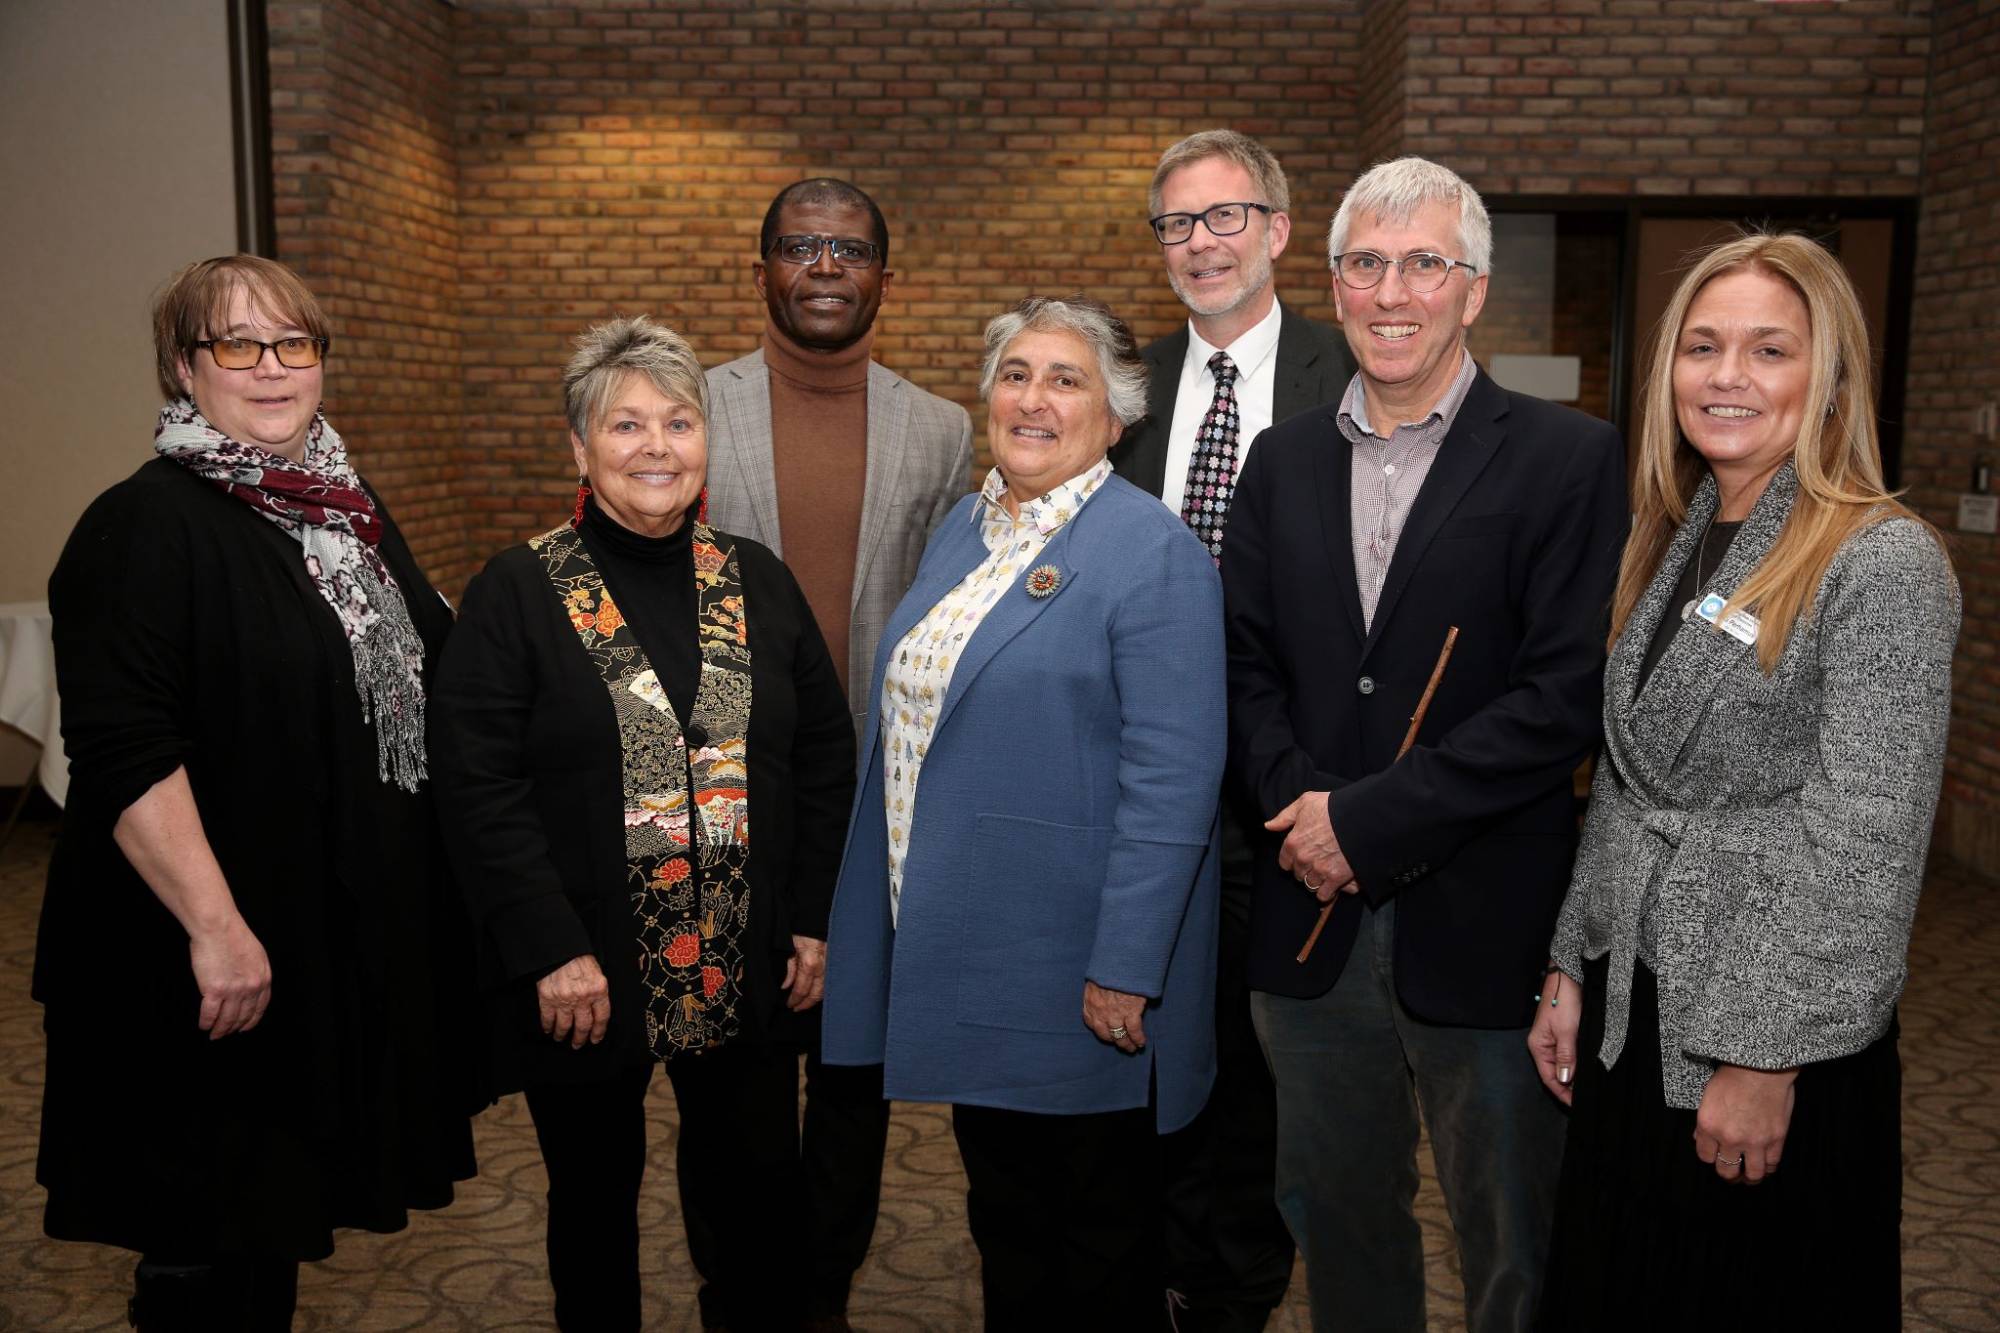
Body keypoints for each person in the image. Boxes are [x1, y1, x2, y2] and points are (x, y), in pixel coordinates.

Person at [1222, 157, 1628, 1332]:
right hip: (1310, 917)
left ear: (1472, 289)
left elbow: (1562, 697)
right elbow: (1245, 667)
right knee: (1334, 1210)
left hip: (1485, 919)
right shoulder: (1281, 460)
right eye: (1364, 264)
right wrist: (1308, 816)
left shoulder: (1564, 458)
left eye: (1421, 263)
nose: (1389, 291)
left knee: (1511, 1228)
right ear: (1333, 284)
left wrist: (1365, 822)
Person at [34, 255, 478, 1330]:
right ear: (186, 368)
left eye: (294, 343)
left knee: (265, 1219)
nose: (271, 369)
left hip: (309, 936)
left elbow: (440, 658)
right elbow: (123, 750)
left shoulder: (342, 507)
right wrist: (216, 927)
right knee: (201, 1231)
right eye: (237, 345)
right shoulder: (141, 525)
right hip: (195, 951)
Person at [1530, 232, 1958, 1330]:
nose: (1724, 377)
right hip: (1637, 997)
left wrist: (1765, 1056)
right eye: (1701, 346)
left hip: (1766, 1028)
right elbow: (1626, 781)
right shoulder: (1672, 534)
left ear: (1827, 380)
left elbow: (1864, 839)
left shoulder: (1880, 559)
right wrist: (1569, 965)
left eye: (1767, 350)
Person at [428, 316, 855, 1331]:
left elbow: (825, 755)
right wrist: (547, 948)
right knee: (591, 1208)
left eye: (677, 420)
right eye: (624, 425)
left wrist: (808, 918)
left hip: (745, 956)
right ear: (578, 447)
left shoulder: (755, 578)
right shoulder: (517, 589)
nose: (655, 446)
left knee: (756, 1202)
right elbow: (476, 783)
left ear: (705, 441)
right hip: (586, 968)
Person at [821, 296, 1225, 1329]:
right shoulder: (965, 525)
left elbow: (1173, 777)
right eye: (1014, 374)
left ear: (1113, 415)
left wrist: (1127, 963)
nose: (1031, 399)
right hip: (966, 946)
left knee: (1093, 1247)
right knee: (1007, 1222)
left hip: (1074, 966)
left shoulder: (1150, 551)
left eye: (1064, 379)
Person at [698, 177, 972, 1330]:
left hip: (873, 806)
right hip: (719, 802)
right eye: (799, 247)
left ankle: (819, 1294)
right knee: (731, 1075)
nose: (823, 266)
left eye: (848, 249)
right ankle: (737, 1292)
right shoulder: (686, 406)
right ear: (758, 269)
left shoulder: (945, 428)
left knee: (853, 1073)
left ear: (881, 278)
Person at [1110, 127, 1354, 1332]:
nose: (1198, 243)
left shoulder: (1349, 375)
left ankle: (1238, 1283)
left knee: (1265, 1048)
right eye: (1175, 224)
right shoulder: (1123, 388)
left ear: (1277, 229)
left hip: (1290, 782)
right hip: (1144, 784)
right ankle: (1151, 1256)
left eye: (1223, 217)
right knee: (1144, 1028)